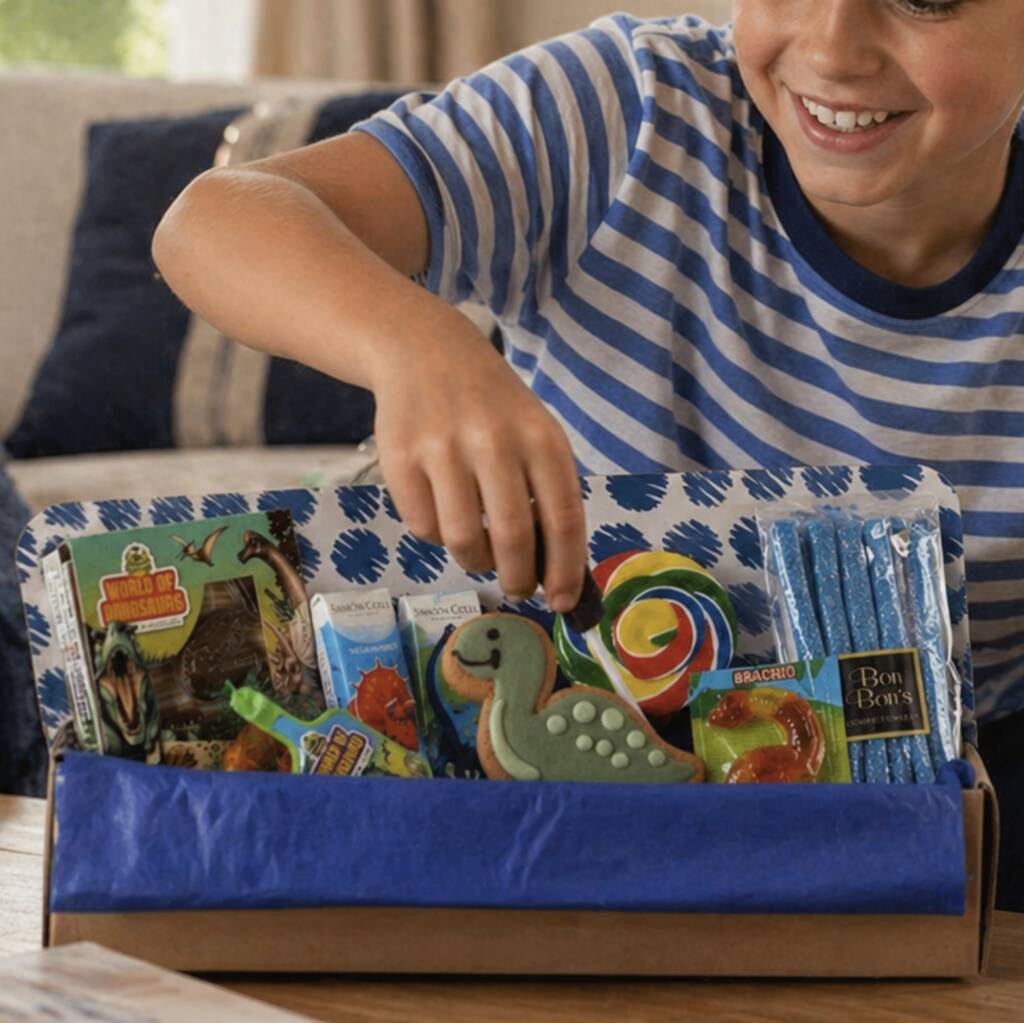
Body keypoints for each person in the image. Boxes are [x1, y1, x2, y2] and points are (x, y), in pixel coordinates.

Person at [153, 0, 1024, 908]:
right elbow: (211, 220)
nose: (834, 47)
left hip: (948, 795)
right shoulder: (629, 112)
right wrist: (415, 344)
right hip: (548, 790)